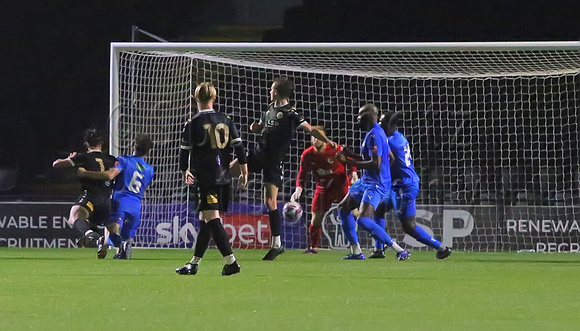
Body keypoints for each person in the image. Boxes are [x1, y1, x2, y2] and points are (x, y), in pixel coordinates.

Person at [230, 76, 336, 261]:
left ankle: (276, 244)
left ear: (277, 91)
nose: (269, 92)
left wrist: (328, 141)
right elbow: (263, 127)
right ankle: (212, 197)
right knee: (230, 168)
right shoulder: (269, 109)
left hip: (273, 161)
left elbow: (310, 129)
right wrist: (256, 128)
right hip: (257, 154)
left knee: (270, 201)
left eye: (271, 89)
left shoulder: (291, 114)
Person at [176, 82, 248, 276]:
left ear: (195, 98)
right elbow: (239, 148)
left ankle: (231, 261)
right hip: (224, 177)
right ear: (214, 98)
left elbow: (185, 152)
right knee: (205, 219)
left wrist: (184, 170)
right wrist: (244, 171)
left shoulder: (193, 123)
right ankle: (194, 263)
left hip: (206, 178)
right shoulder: (226, 119)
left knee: (212, 219)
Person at [336, 104, 410, 260]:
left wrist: (348, 161)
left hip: (375, 184)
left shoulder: (375, 135)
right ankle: (356, 251)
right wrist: (352, 155)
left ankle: (399, 249)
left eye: (360, 115)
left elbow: (375, 163)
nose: (357, 118)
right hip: (368, 180)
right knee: (343, 208)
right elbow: (389, 158)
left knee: (363, 221)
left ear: (369, 116)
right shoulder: (375, 132)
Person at [373, 111, 451, 259]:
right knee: (379, 209)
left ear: (390, 125)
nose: (379, 125)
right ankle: (378, 249)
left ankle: (442, 248)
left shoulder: (391, 142)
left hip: (405, 186)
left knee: (409, 226)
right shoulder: (397, 136)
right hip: (399, 184)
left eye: (382, 122)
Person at [77, 134, 155, 259]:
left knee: (112, 230)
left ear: (133, 147)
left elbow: (110, 175)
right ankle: (122, 250)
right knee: (127, 236)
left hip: (120, 201)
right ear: (149, 152)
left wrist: (86, 173)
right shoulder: (150, 170)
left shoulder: (124, 160)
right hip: (136, 205)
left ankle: (116, 244)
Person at [290, 127, 358, 254]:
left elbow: (350, 160)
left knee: (355, 213)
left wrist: (353, 173)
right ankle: (313, 247)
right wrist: (298, 189)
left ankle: (360, 242)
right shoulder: (307, 154)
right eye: (313, 137)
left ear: (324, 138)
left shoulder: (335, 149)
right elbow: (302, 174)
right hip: (322, 187)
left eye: (318, 137)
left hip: (341, 185)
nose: (316, 139)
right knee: (316, 217)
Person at [52, 129, 117, 252]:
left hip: (90, 198)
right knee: (106, 225)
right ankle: (109, 244)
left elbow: (56, 164)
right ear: (101, 143)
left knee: (74, 217)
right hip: (107, 201)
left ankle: (89, 234)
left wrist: (69, 158)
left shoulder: (83, 157)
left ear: (86, 144)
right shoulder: (112, 159)